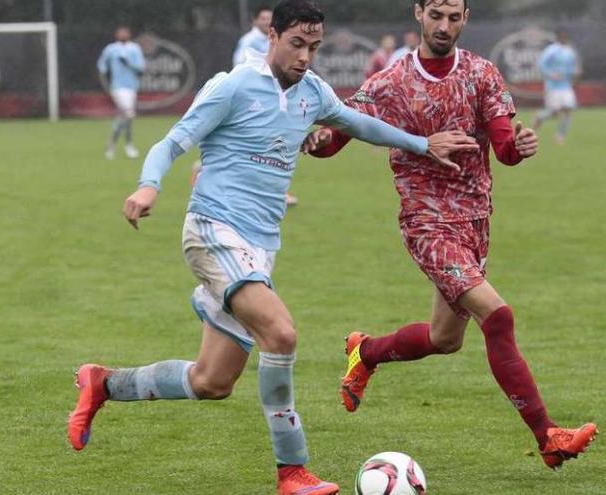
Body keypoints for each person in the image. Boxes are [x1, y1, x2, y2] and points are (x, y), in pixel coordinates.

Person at [67, 1, 477, 494]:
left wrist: (420, 143)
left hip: (259, 247)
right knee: (280, 335)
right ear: (273, 37)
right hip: (213, 230)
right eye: (296, 44)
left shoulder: (313, 93)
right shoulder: (234, 85)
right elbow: (172, 142)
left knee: (211, 382)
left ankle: (103, 383)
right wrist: (148, 185)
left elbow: (358, 123)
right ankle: (292, 470)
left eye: (314, 48)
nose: (305, 56)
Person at [303, 0, 597, 471]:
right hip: (426, 223)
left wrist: (519, 146)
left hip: (475, 221)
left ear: (466, 18)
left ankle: (366, 351)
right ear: (418, 13)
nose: (444, 25)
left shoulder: (482, 74)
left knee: (445, 339)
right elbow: (334, 136)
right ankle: (548, 436)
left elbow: (503, 147)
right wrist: (316, 140)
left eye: (453, 17)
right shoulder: (389, 83)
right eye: (435, 14)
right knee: (497, 317)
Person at [227, 5, 299, 206]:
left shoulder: (275, 39)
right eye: (263, 18)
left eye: (270, 18)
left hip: (274, 97)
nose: (267, 22)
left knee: (273, 141)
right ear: (254, 21)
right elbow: (240, 67)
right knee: (271, 142)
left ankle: (273, 191)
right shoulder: (249, 42)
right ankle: (275, 192)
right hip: (257, 99)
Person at [97, 26, 146, 159]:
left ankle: (112, 145)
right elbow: (102, 66)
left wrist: (128, 63)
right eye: (121, 32)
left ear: (129, 34)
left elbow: (141, 68)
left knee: (125, 117)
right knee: (128, 114)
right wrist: (106, 86)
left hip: (131, 87)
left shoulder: (135, 48)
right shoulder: (111, 49)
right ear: (117, 34)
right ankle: (128, 146)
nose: (123, 34)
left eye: (125, 32)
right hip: (117, 87)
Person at [532, 29, 581, 145]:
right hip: (553, 86)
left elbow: (572, 67)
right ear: (558, 37)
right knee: (554, 112)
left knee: (568, 109)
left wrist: (575, 73)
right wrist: (550, 74)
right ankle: (539, 116)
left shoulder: (570, 51)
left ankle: (560, 135)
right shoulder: (551, 50)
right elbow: (541, 64)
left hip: (566, 86)